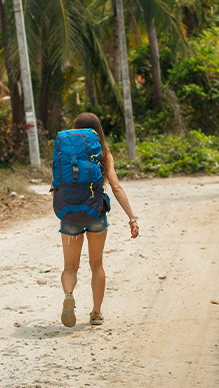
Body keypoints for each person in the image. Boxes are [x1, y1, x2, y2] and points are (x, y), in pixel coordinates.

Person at [57, 112, 139, 327]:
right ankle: (96, 313)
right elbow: (116, 186)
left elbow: (55, 185)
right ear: (98, 130)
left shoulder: (64, 150)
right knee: (97, 264)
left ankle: (68, 295)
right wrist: (132, 217)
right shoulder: (103, 152)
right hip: (96, 213)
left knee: (70, 266)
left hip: (70, 214)